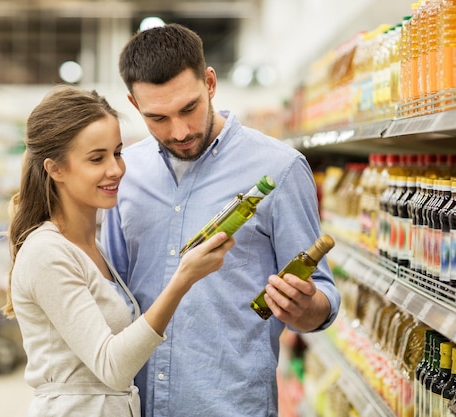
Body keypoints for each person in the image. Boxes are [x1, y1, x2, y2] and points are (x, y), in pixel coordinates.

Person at [99, 23, 342, 417]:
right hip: (136, 403)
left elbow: (323, 298)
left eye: (188, 108)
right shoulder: (125, 174)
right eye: (157, 117)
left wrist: (306, 306)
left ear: (209, 83)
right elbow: (113, 293)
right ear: (133, 103)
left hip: (230, 404)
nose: (179, 131)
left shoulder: (279, 169)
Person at [1, 85, 234, 417]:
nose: (116, 169)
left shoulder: (89, 246)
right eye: (97, 158)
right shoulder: (47, 253)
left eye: (118, 152)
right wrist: (183, 278)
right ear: (56, 169)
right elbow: (112, 366)